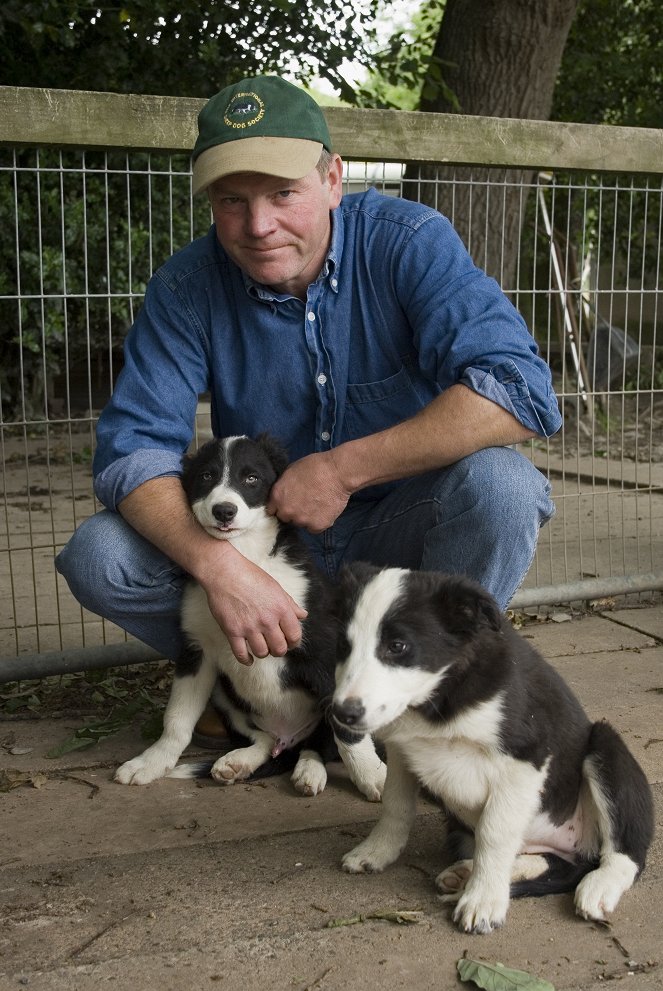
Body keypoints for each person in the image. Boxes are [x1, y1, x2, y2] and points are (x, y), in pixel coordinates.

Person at [56, 75, 561, 713]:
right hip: (258, 540)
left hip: (394, 532)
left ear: (333, 181)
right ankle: (264, 695)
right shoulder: (185, 287)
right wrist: (224, 572)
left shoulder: (408, 242)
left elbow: (519, 391)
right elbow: (132, 452)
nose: (258, 226)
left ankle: (423, 701)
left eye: (283, 194)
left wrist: (344, 468)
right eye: (232, 200)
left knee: (502, 488)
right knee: (100, 556)